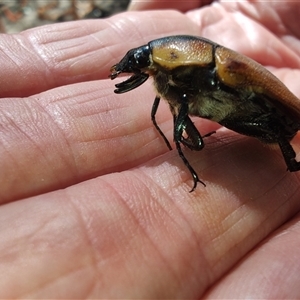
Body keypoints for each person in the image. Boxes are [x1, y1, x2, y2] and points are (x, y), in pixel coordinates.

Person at [1, 0, 300, 297]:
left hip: (276, 117)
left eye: (147, 61)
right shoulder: (178, 79)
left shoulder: (212, 70)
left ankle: (292, 164)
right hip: (239, 112)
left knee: (271, 131)